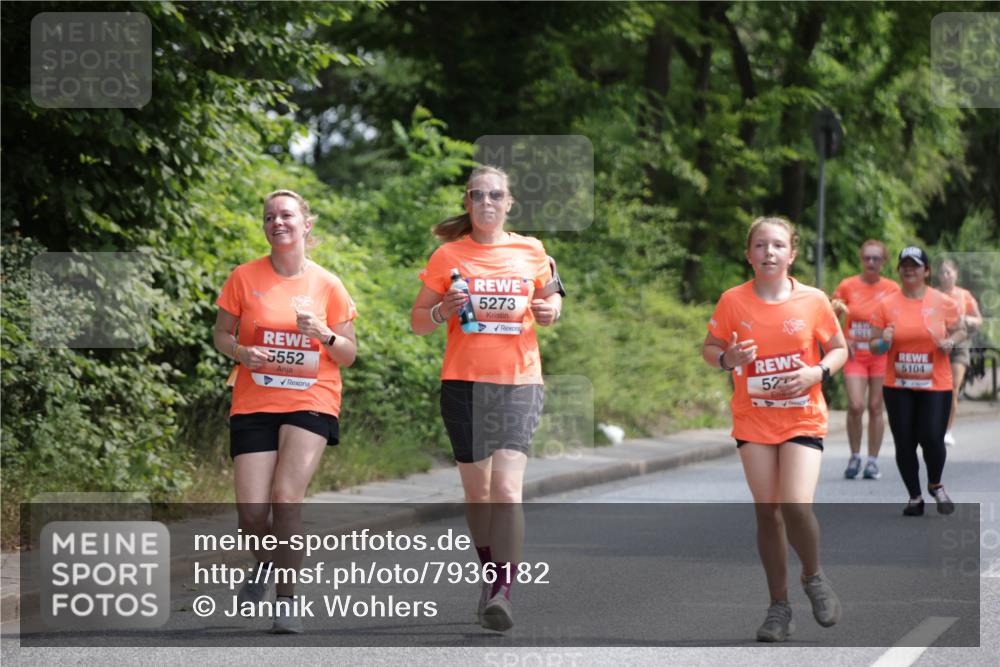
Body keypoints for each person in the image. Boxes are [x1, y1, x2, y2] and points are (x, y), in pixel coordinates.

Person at [410, 166, 562, 632]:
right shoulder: (448, 255)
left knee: (506, 490)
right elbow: (418, 320)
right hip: (463, 382)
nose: (486, 202)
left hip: (518, 381)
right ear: (467, 201)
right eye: (478, 195)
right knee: (477, 494)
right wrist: (441, 310)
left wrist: (550, 309)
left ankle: (503, 592)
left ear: (509, 202)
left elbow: (554, 303)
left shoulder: (531, 251)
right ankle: (489, 573)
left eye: (495, 195)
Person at [213, 189, 358, 633]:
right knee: (252, 514)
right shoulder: (243, 277)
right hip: (255, 399)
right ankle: (267, 564)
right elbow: (220, 334)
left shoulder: (327, 284)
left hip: (312, 398)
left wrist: (325, 334)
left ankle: (287, 602)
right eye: (270, 216)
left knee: (285, 498)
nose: (278, 222)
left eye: (287, 215)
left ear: (306, 224)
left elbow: (349, 353)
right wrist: (242, 351)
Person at [703, 216, 848, 643]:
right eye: (761, 245)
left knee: (795, 504)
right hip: (754, 418)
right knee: (767, 511)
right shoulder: (733, 301)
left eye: (778, 245)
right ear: (748, 255)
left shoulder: (813, 300)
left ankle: (814, 577)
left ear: (792, 254)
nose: (770, 252)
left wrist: (815, 373)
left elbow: (839, 348)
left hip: (802, 415)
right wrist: (728, 358)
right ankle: (778, 608)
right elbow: (709, 349)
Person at [869, 247, 966, 516]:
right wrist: (883, 341)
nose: (909, 269)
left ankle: (936, 484)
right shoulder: (886, 305)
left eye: (915, 264)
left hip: (935, 383)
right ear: (899, 270)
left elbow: (961, 330)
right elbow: (874, 346)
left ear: (926, 271)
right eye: (904, 265)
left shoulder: (941, 301)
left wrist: (950, 342)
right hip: (898, 385)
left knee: (932, 438)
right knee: (905, 441)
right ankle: (914, 496)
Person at [830, 240, 901, 480]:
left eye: (876, 258)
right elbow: (829, 316)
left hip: (880, 355)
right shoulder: (848, 286)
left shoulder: (892, 288)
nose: (871, 262)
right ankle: (854, 456)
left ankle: (872, 461)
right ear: (861, 259)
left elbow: (899, 318)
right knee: (856, 405)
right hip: (855, 355)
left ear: (884, 262)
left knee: (875, 407)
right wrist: (841, 338)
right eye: (867, 258)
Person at [937, 258, 983, 446]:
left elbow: (978, 320)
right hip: (938, 346)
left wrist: (968, 320)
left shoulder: (964, 295)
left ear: (956, 274)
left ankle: (947, 430)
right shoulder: (934, 295)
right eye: (942, 272)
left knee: (953, 387)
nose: (946, 276)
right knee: (936, 390)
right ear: (938, 276)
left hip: (959, 345)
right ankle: (933, 426)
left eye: (949, 272)